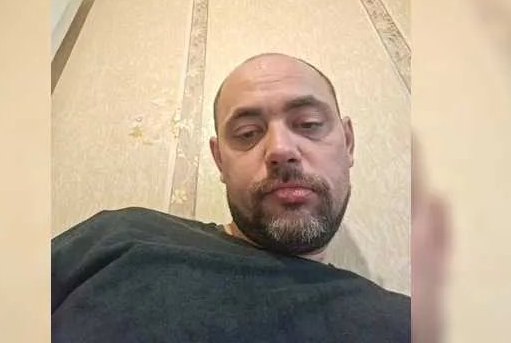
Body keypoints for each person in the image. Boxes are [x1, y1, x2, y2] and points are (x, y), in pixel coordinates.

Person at [52, 53, 410, 342]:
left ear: (348, 143)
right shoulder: (117, 238)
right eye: (248, 132)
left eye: (309, 124)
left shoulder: (406, 326)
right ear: (219, 159)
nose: (281, 150)